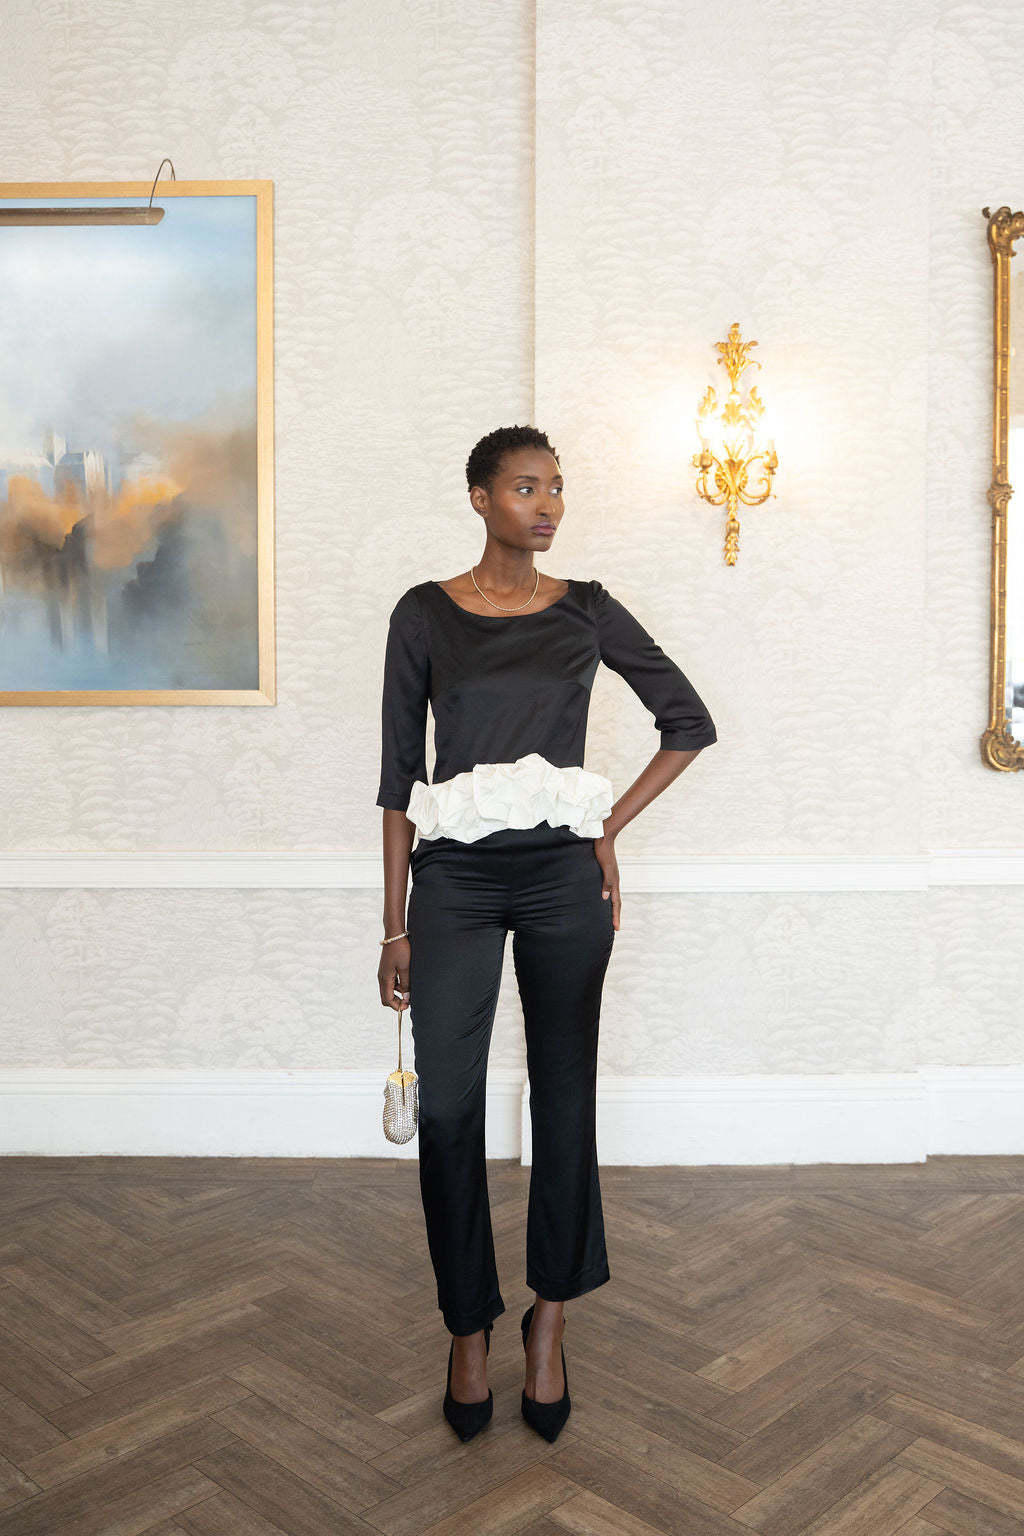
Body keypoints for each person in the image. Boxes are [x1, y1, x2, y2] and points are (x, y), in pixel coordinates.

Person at [375, 424, 717, 1443]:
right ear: (479, 497)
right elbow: (398, 783)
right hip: (455, 882)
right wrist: (392, 925)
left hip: (564, 881)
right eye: (527, 487)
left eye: (557, 489)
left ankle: (551, 1321)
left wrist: (605, 827)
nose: (548, 505)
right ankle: (467, 1324)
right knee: (448, 1111)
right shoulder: (424, 615)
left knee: (565, 1102)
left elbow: (687, 721)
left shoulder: (589, 612)